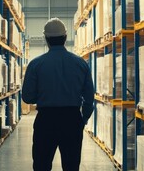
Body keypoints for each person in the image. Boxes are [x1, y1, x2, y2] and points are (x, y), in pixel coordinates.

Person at [22, 17, 95, 171]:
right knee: (71, 166)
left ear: (46, 39)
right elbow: (89, 97)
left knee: (42, 165)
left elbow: (27, 97)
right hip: (72, 120)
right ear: (65, 37)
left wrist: (43, 95)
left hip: (46, 120)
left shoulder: (35, 64)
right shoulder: (81, 63)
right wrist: (83, 119)